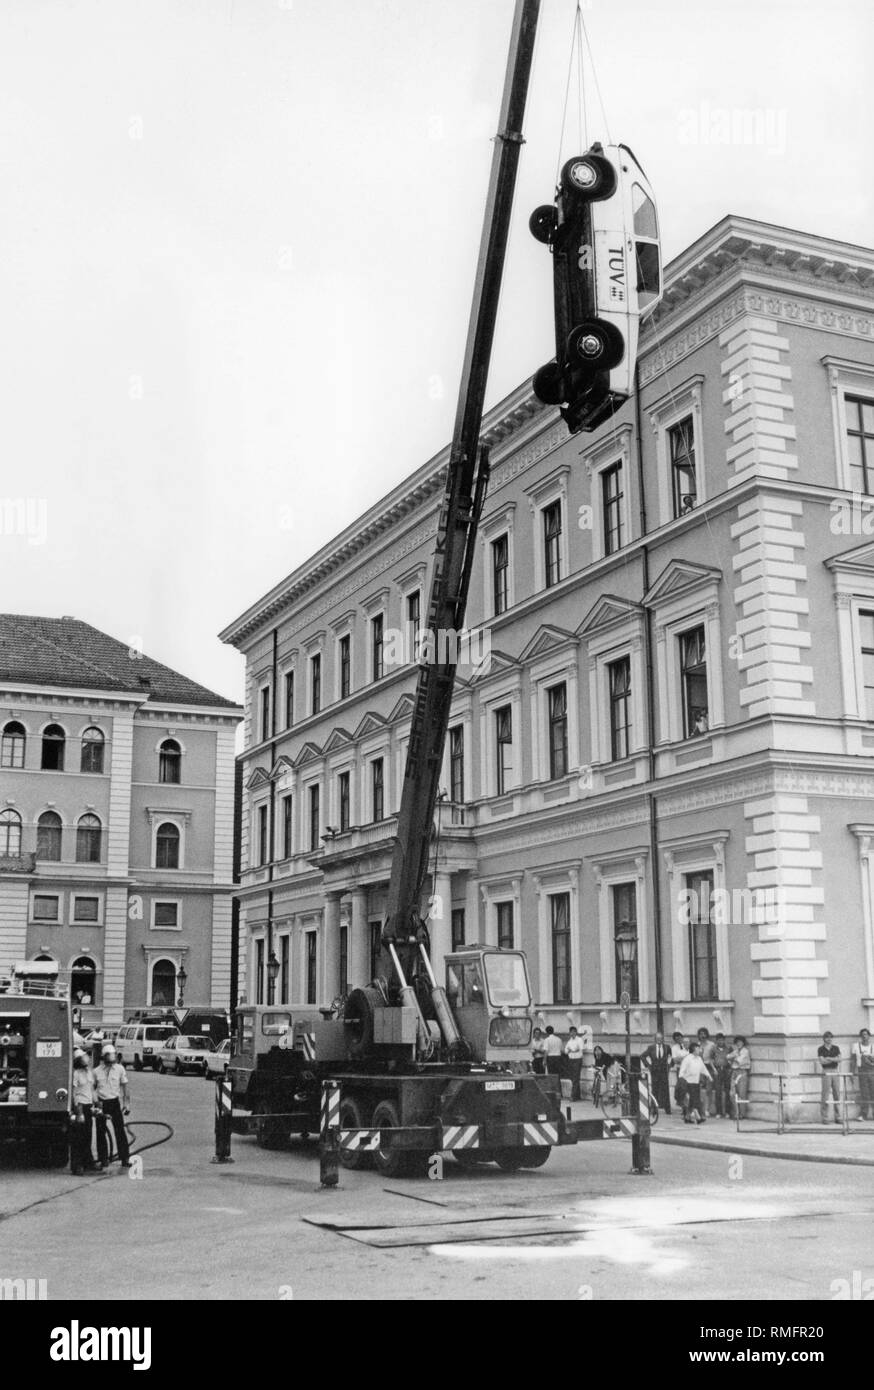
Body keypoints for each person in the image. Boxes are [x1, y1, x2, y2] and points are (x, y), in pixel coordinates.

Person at [94, 1044, 132, 1168]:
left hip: (114, 1102)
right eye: (109, 1055)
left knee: (119, 1130)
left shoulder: (120, 1069)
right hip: (101, 1102)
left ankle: (124, 1157)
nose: (112, 1058)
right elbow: (91, 1089)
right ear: (104, 1057)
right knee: (101, 1131)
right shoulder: (96, 1071)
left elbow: (125, 1087)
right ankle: (103, 1158)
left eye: (113, 1055)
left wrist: (127, 1104)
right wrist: (96, 1103)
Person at [70, 1049, 97, 1175]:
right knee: (78, 1138)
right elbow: (74, 1093)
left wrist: (97, 1104)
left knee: (87, 1136)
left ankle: (88, 1163)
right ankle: (77, 1165)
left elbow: (91, 1089)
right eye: (83, 1058)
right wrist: (78, 1112)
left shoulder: (89, 1073)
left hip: (88, 1106)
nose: (86, 1059)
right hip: (80, 1106)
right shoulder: (75, 1074)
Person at [639, 1032, 671, 1115]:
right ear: (655, 1039)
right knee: (655, 1090)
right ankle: (654, 1109)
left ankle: (667, 1109)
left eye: (660, 1038)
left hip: (664, 1071)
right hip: (655, 1071)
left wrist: (669, 1066)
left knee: (665, 1090)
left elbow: (671, 1057)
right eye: (657, 1038)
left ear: (663, 1039)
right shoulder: (651, 1048)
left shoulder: (667, 1047)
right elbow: (642, 1056)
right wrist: (648, 1066)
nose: (659, 1040)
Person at [678, 1040, 709, 1124]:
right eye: (698, 1049)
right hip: (688, 1082)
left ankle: (687, 1117)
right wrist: (681, 1079)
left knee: (693, 1101)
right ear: (694, 1049)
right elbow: (682, 1070)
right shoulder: (687, 1059)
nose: (700, 1050)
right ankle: (698, 1117)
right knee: (694, 1100)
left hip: (696, 1082)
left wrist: (709, 1076)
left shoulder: (699, 1059)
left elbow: (703, 1068)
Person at [817, 1030, 842, 1125]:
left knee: (837, 1093)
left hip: (835, 1070)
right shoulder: (821, 1049)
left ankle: (838, 1117)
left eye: (831, 1037)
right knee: (825, 1094)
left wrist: (829, 1058)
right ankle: (825, 1118)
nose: (829, 1039)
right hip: (826, 1071)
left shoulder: (836, 1048)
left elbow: (840, 1059)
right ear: (824, 1039)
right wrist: (833, 1059)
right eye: (827, 1037)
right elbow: (822, 1061)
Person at [727, 1035, 752, 1119]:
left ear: (743, 1043)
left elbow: (738, 1061)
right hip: (734, 1072)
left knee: (742, 1093)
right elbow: (727, 1057)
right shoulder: (736, 1051)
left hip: (742, 1072)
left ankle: (741, 1114)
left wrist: (733, 1057)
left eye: (740, 1042)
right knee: (732, 1093)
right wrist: (734, 1056)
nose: (739, 1044)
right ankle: (735, 1112)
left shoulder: (745, 1051)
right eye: (737, 1042)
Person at [853, 1028, 874, 1121]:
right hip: (861, 1071)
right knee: (864, 1093)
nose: (864, 1036)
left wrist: (870, 1060)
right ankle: (864, 1114)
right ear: (860, 1036)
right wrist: (852, 1072)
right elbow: (853, 1060)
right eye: (862, 1034)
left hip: (872, 1071)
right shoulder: (856, 1046)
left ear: (869, 1036)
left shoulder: (873, 1046)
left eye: (866, 1034)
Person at [697, 1027, 717, 1118]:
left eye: (704, 1034)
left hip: (708, 1067)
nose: (703, 1036)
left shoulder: (711, 1045)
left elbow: (715, 1056)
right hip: (699, 1068)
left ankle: (708, 1109)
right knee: (700, 1089)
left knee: (709, 1089)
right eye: (701, 1034)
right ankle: (700, 1109)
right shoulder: (697, 1045)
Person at [712, 1032, 732, 1118]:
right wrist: (714, 1070)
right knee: (718, 1091)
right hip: (717, 1070)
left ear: (724, 1040)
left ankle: (727, 1112)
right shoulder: (713, 1049)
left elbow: (732, 1059)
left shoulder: (729, 1048)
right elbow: (710, 1060)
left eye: (722, 1040)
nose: (721, 1042)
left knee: (727, 1091)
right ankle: (719, 1112)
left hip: (726, 1070)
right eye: (719, 1040)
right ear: (716, 1041)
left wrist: (730, 1069)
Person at [564, 1026, 584, 1101]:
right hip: (571, 1059)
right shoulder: (569, 1041)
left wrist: (572, 1050)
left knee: (575, 1078)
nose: (572, 1033)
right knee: (573, 1078)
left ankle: (573, 1096)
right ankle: (577, 1095)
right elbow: (566, 1051)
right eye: (571, 1032)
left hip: (577, 1059)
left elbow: (580, 1050)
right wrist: (572, 1050)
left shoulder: (579, 1040)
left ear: (576, 1032)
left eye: (573, 1032)